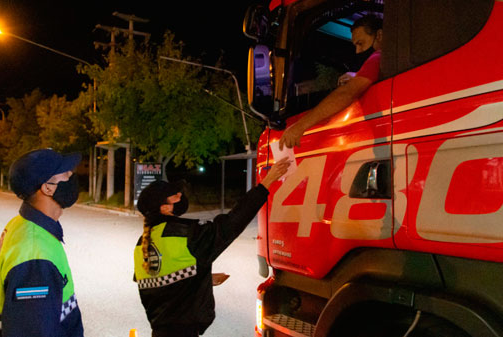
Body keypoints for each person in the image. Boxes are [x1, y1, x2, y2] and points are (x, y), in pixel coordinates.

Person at [133, 158, 291, 337]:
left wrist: (203, 277)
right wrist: (266, 183)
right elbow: (232, 223)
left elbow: (164, 283)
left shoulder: (143, 243)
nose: (180, 196)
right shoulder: (184, 235)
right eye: (174, 195)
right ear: (164, 208)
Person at [0, 148, 84, 337]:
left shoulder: (20, 225)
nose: (71, 175)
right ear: (48, 187)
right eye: (65, 172)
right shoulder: (35, 255)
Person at [279, 14, 383, 149]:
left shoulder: (378, 57)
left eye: (361, 43)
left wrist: (300, 126)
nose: (358, 51)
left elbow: (346, 93)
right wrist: (358, 76)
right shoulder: (385, 60)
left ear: (379, 35)